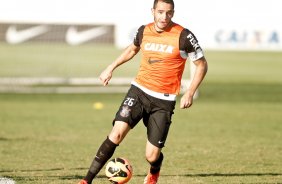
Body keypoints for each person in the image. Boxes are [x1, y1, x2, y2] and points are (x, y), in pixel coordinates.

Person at [78, 0, 208, 183]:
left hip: (163, 101)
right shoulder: (143, 30)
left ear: (173, 13)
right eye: (161, 12)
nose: (164, 17)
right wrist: (111, 67)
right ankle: (86, 180)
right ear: (153, 11)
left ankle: (154, 170)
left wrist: (190, 91)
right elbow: (132, 49)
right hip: (138, 92)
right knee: (116, 134)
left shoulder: (184, 36)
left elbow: (201, 64)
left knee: (152, 155)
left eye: (169, 13)